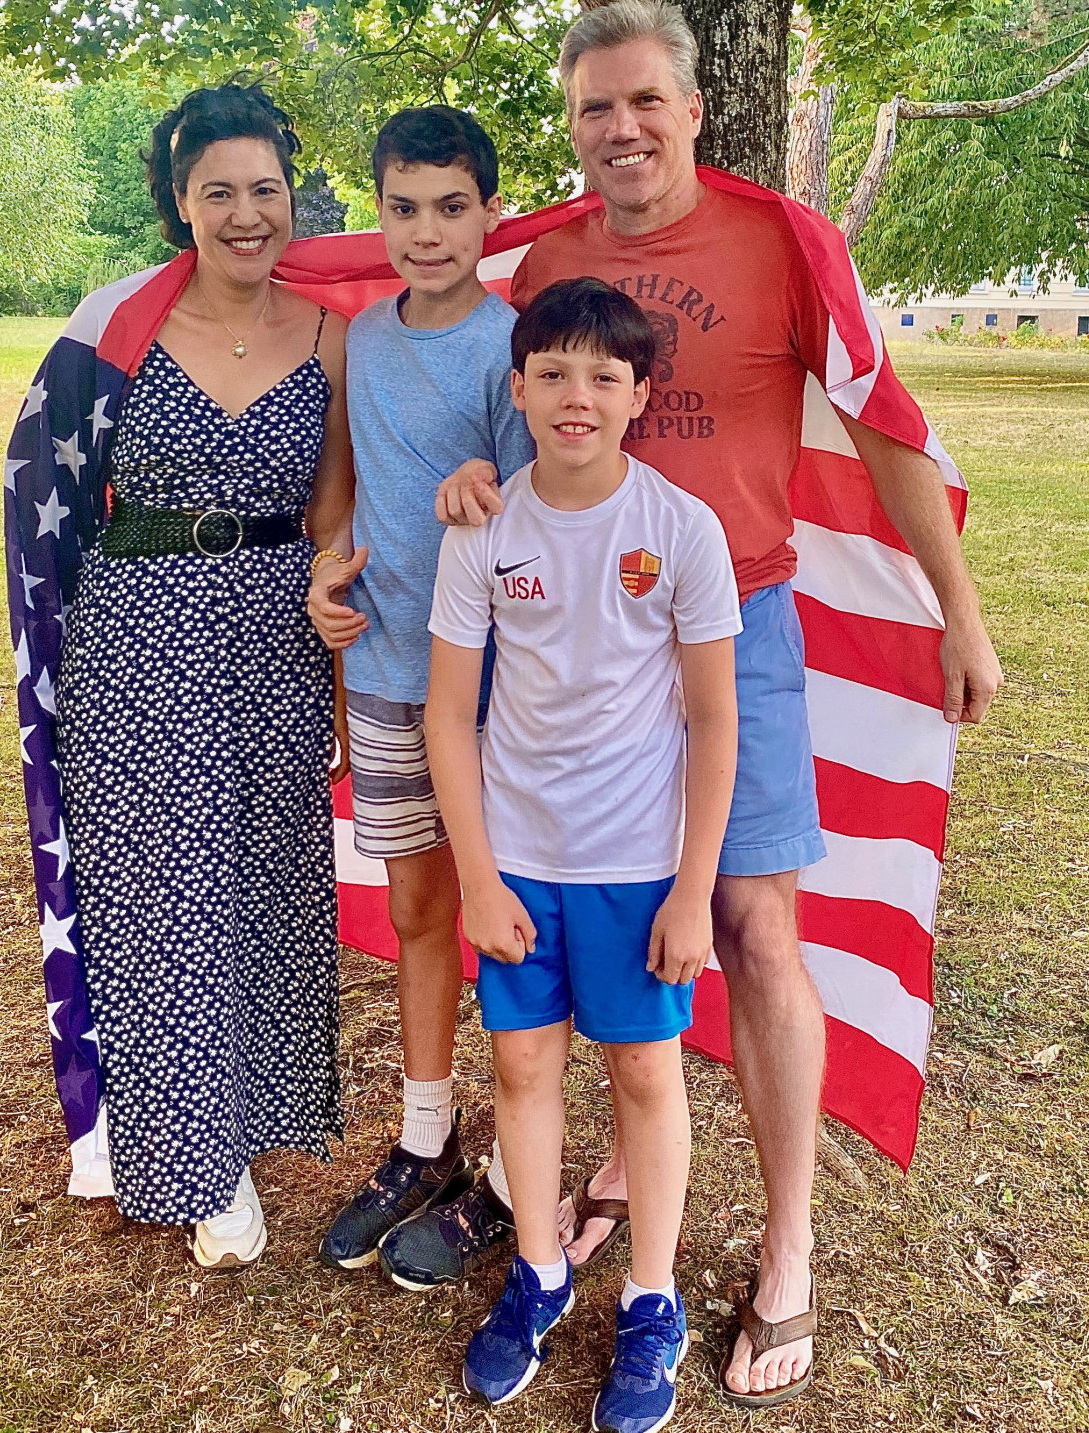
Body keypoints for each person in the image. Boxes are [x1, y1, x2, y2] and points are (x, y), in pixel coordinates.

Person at [397, 0, 1003, 1406]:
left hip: (739, 627)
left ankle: (787, 1244)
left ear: (692, 109)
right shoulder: (547, 256)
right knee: (599, 900)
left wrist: (957, 605)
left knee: (750, 924)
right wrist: (463, 480)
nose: (620, 129)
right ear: (573, 125)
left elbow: (882, 422)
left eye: (643, 101)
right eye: (593, 108)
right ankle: (617, 1168)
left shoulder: (781, 241)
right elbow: (474, 374)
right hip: (577, 648)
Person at [48, 84, 355, 1268]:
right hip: (142, 633)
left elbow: (332, 511)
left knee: (265, 886)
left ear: (290, 197)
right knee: (164, 892)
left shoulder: (330, 335)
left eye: (264, 188)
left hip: (277, 636)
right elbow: (49, 496)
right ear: (181, 201)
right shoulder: (116, 326)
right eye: (217, 190)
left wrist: (338, 666)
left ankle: (243, 1117)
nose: (245, 212)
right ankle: (197, 1164)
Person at [426, 277, 740, 1428]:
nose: (578, 395)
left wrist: (694, 891)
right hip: (519, 860)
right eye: (552, 372)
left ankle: (653, 1300)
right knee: (521, 1068)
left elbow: (716, 717)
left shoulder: (681, 528)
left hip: (640, 866)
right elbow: (447, 714)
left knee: (645, 1072)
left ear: (639, 394)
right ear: (517, 388)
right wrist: (478, 875)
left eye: (605, 376)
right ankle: (540, 1271)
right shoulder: (483, 527)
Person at [307, 105, 534, 1272]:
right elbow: (341, 490)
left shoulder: (514, 345)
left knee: (515, 923)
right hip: (389, 674)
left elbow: (550, 512)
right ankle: (426, 1135)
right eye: (403, 208)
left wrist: (490, 479)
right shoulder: (363, 338)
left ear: (492, 213)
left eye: (452, 207)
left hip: (499, 693)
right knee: (416, 909)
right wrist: (325, 574)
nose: (427, 231)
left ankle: (519, 1166)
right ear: (380, 213)